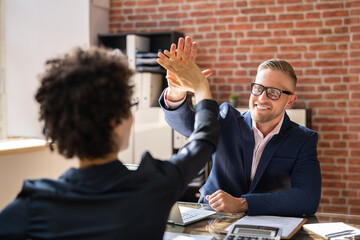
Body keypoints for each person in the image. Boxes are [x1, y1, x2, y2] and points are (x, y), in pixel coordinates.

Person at [0, 46, 219, 239]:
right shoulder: (156, 185)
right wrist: (200, 85)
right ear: (116, 122)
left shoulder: (36, 205)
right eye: (129, 106)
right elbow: (204, 139)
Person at [157, 36, 322, 217]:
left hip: (265, 225)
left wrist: (243, 203)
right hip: (211, 219)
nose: (261, 98)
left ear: (290, 101)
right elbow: (187, 124)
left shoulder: (303, 139)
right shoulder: (227, 118)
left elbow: (307, 198)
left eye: (273, 92)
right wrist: (175, 94)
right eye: (258, 88)